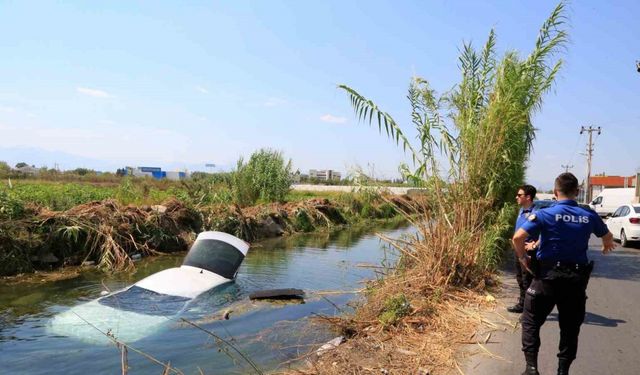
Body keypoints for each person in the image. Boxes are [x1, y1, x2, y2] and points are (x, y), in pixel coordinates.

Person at [512, 173, 616, 375]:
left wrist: (523, 258)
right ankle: (562, 371)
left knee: (531, 321)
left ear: (554, 192)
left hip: (547, 279)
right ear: (577, 192)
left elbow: (518, 237)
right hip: (575, 282)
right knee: (569, 329)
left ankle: (531, 369)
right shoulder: (589, 215)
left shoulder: (545, 214)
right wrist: (606, 245)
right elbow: (607, 235)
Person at [507, 184, 539, 313]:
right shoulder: (521, 211)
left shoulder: (536, 213)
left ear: (528, 197)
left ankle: (529, 310)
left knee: (528, 281)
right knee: (520, 278)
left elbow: (545, 233)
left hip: (528, 252)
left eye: (519, 195)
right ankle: (522, 304)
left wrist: (535, 244)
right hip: (518, 250)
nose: (516, 197)